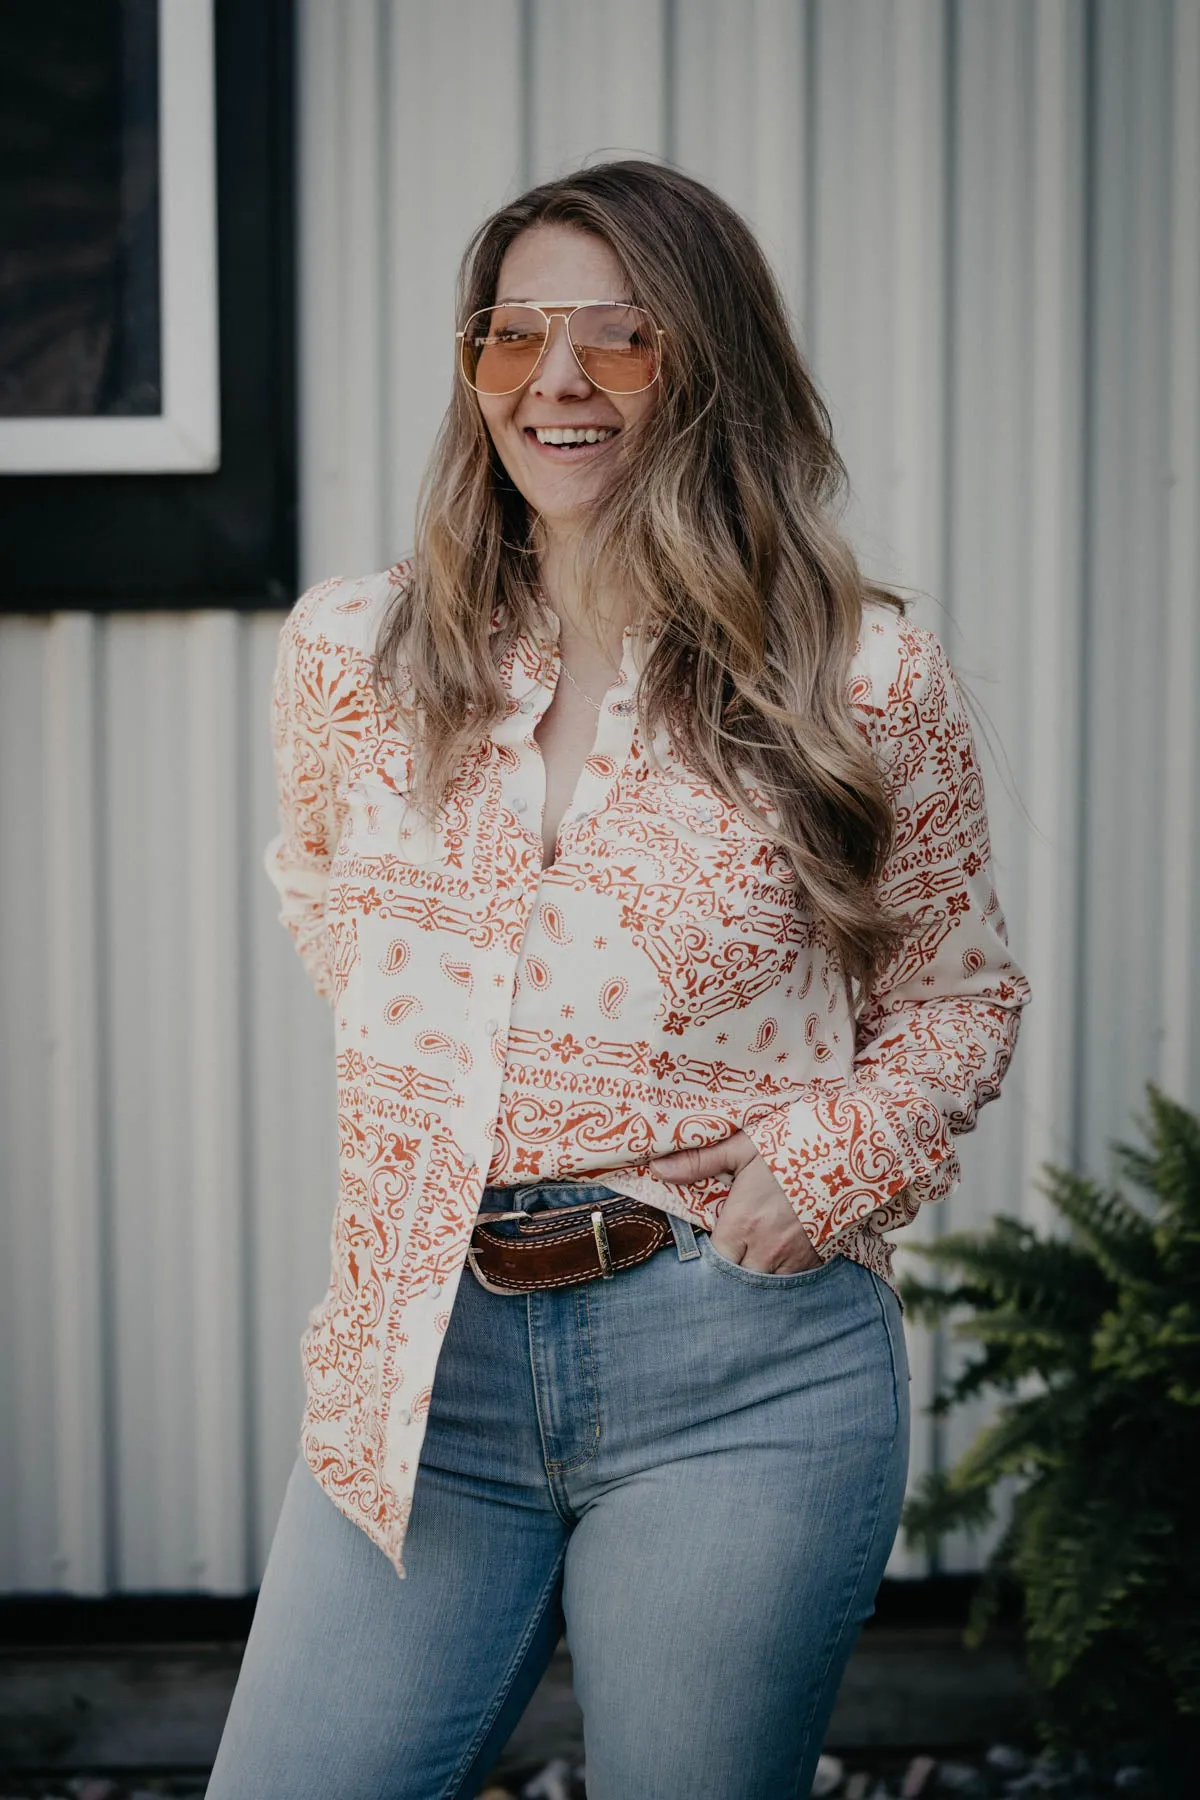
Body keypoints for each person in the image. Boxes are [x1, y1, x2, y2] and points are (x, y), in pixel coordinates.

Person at [207, 160, 1030, 1800]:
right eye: (511, 337)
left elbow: (960, 995)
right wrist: (457, 1066)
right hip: (418, 1360)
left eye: (620, 336)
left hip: (740, 1364)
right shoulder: (355, 648)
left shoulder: (859, 668)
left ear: (709, 362)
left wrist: (826, 1164)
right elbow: (320, 877)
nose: (555, 382)